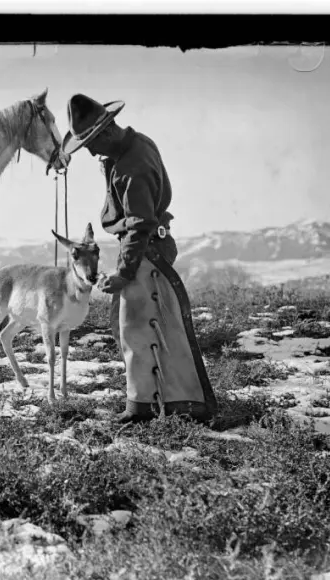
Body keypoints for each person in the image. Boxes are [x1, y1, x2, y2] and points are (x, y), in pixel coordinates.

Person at [61, 94, 218, 424]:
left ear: (106, 134)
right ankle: (156, 401)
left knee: (141, 328)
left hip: (146, 250)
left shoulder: (132, 166)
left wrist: (123, 272)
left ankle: (156, 406)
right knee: (145, 328)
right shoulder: (133, 148)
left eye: (90, 143)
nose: (89, 152)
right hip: (147, 247)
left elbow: (139, 224)